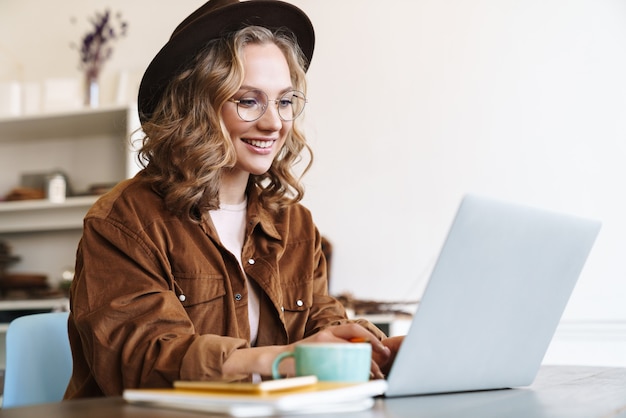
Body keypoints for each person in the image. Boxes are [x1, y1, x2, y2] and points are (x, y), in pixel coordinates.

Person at [64, 0, 402, 399]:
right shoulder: (123, 222)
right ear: (196, 106)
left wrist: (371, 349)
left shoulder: (295, 225)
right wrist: (282, 359)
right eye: (249, 100)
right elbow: (142, 361)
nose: (274, 122)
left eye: (284, 101)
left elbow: (320, 328)